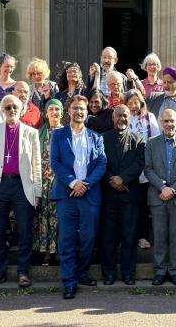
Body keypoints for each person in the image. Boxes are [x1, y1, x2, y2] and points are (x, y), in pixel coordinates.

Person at [50, 95, 107, 299]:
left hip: (89, 195)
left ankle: (82, 272)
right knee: (66, 239)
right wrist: (74, 183)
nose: (79, 111)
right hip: (66, 195)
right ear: (69, 111)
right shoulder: (58, 135)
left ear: (87, 112)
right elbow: (55, 163)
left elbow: (101, 164)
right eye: (75, 108)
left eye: (82, 108)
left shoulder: (96, 137)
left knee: (89, 238)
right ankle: (69, 281)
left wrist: (86, 184)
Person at [0, 95, 41, 288]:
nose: (12, 110)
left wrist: (37, 191)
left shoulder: (31, 133)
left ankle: (23, 272)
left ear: (21, 109)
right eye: (7, 107)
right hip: (1, 186)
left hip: (23, 185)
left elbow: (36, 164)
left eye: (15, 107)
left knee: (24, 230)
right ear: (2, 110)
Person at [143, 109, 176, 286]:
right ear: (160, 122)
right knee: (159, 236)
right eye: (165, 121)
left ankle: (175, 271)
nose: (169, 124)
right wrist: (162, 187)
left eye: (172, 121)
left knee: (175, 236)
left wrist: (173, 190)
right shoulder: (151, 143)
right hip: (157, 196)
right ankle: (159, 271)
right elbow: (148, 169)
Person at [100, 104, 146, 285]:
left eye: (125, 116)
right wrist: (112, 178)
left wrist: (122, 179)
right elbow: (99, 161)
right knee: (108, 237)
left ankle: (128, 273)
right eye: (118, 115)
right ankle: (108, 273)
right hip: (108, 196)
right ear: (113, 118)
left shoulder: (139, 139)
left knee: (129, 236)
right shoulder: (102, 139)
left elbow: (139, 163)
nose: (122, 119)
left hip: (129, 196)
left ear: (130, 118)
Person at [125, 89, 160, 250]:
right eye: (130, 103)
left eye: (135, 102)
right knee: (130, 205)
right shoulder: (123, 118)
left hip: (146, 168)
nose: (133, 106)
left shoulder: (149, 117)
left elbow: (156, 141)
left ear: (141, 103)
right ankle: (130, 237)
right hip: (129, 168)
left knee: (144, 205)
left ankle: (144, 237)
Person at [34, 99, 64, 266]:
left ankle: (58, 250)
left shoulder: (66, 132)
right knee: (44, 216)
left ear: (61, 112)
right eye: (51, 109)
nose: (54, 112)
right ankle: (46, 251)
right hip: (43, 181)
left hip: (60, 180)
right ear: (46, 113)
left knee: (59, 216)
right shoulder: (38, 133)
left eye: (57, 109)